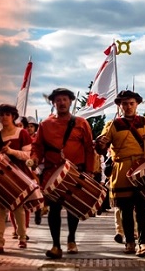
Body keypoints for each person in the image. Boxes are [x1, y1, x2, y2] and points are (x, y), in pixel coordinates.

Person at [95, 90, 145, 257]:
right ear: (120, 105)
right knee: (125, 209)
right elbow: (101, 148)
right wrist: (101, 143)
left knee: (143, 209)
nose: (128, 107)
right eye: (124, 104)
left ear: (137, 104)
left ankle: (144, 244)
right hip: (122, 169)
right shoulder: (112, 125)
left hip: (142, 169)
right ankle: (129, 243)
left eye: (131, 103)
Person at [30, 88, 95, 259]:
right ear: (53, 103)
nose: (61, 102)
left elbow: (89, 148)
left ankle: (71, 239)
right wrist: (34, 158)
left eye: (65, 99)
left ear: (70, 101)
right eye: (58, 100)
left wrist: (90, 172)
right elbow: (37, 147)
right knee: (54, 209)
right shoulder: (45, 125)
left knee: (73, 208)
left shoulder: (81, 123)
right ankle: (56, 245)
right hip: (52, 171)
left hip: (75, 171)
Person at [0, 104, 33, 254]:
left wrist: (11, 151)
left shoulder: (22, 133)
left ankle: (22, 237)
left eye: (7, 114)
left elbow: (27, 155)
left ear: (13, 116)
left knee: (18, 208)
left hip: (17, 176)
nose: (4, 117)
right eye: (1, 114)